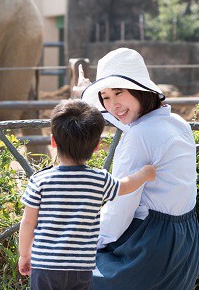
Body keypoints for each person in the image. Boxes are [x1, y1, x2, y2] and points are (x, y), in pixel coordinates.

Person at [77, 47, 199, 289]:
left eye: (118, 92)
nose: (112, 105)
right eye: (105, 97)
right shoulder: (177, 123)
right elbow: (128, 119)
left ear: (139, 90)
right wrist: (86, 95)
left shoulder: (139, 137)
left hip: (149, 247)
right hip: (186, 243)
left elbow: (120, 206)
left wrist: (90, 242)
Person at [18, 99, 156, 290]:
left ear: (53, 141)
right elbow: (125, 186)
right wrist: (145, 174)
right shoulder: (99, 179)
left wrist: (25, 254)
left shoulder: (40, 180)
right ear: (97, 146)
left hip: (45, 266)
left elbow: (28, 222)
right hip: (80, 269)